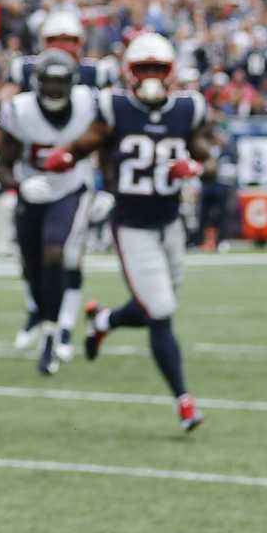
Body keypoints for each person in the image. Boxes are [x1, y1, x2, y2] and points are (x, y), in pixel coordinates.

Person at [55, 33, 212, 428]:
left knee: (156, 305)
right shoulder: (114, 107)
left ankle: (103, 321)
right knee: (160, 311)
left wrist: (194, 167)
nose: (151, 78)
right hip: (132, 224)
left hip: (171, 222)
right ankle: (184, 402)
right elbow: (87, 141)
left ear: (172, 73)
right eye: (144, 70)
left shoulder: (187, 110)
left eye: (158, 70)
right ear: (129, 73)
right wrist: (66, 156)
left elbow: (205, 154)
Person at [0, 51, 95, 373]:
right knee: (32, 267)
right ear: (37, 83)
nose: (53, 89)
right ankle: (44, 316)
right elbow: (2, 167)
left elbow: (106, 144)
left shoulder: (88, 104)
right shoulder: (19, 110)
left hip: (69, 189)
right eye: (48, 82)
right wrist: (19, 187)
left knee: (55, 252)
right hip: (32, 190)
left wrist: (106, 188)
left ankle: (52, 333)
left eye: (59, 82)